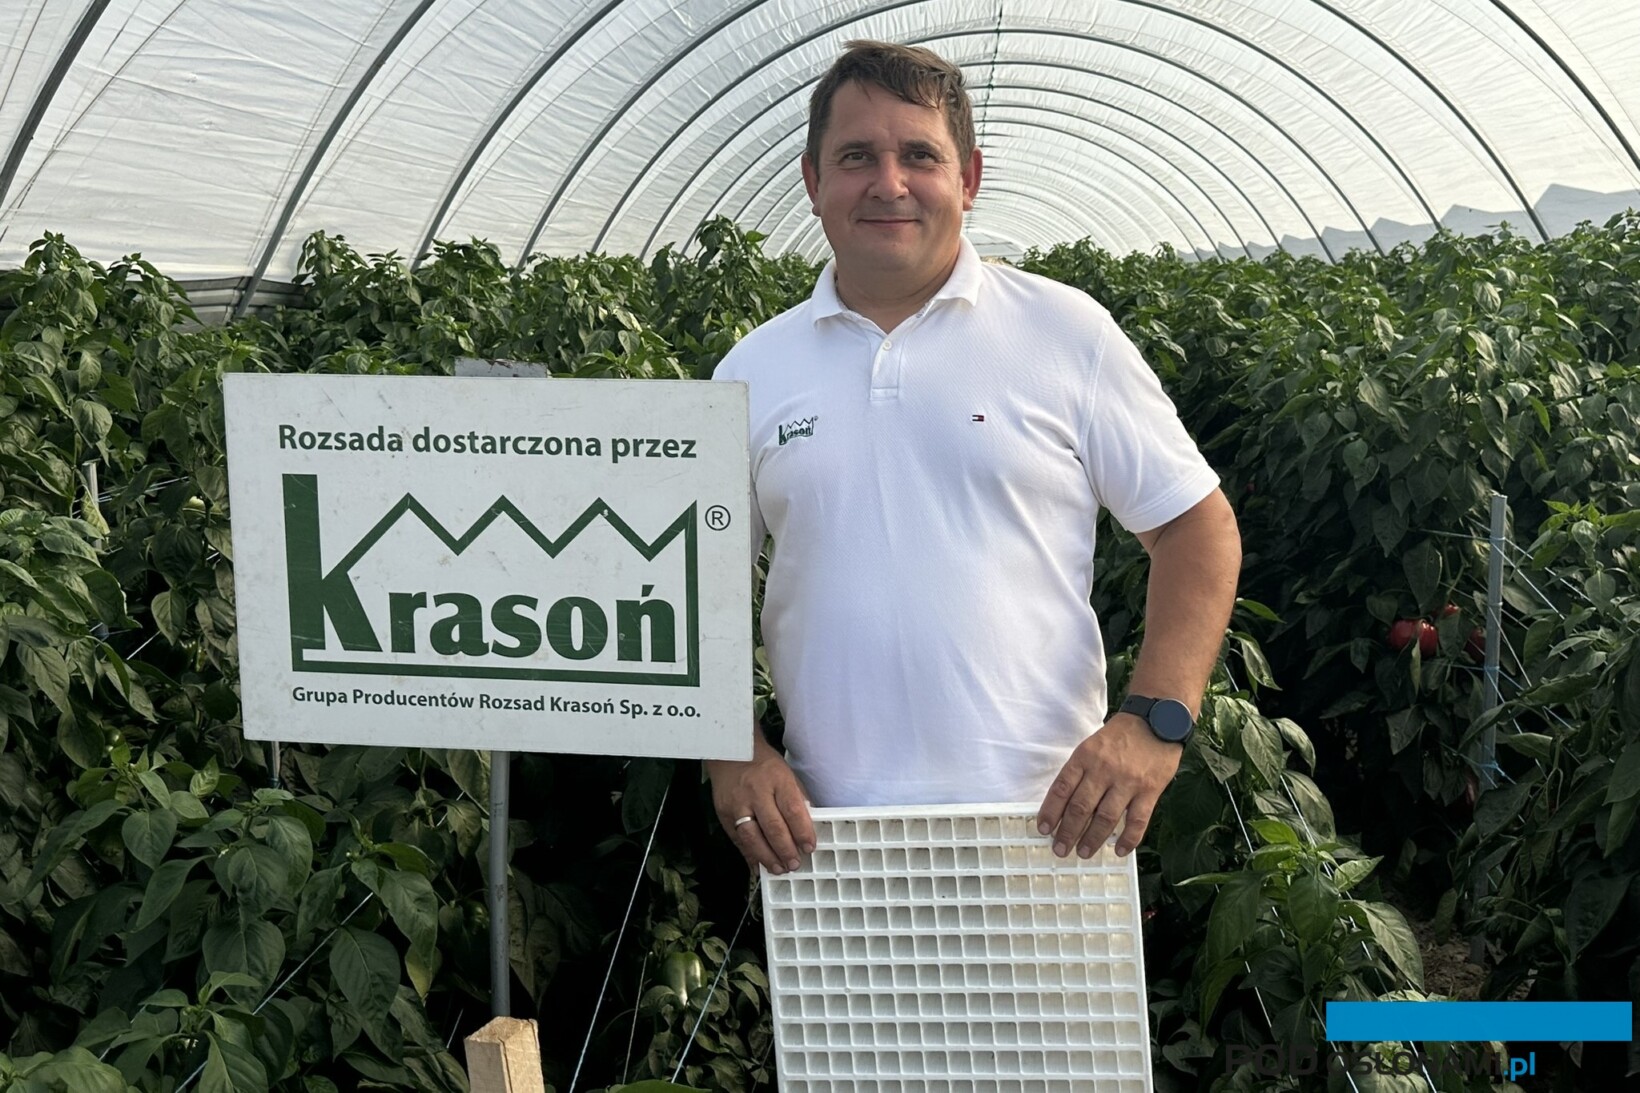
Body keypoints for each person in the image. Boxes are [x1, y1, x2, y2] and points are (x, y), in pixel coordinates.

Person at [706, 40, 1241, 877]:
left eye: (920, 156)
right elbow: (698, 587)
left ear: (969, 178)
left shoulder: (1065, 333)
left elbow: (1195, 527)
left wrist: (1154, 719)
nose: (889, 183)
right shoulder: (752, 369)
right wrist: (731, 748)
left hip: (1053, 829)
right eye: (856, 157)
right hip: (827, 838)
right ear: (813, 180)